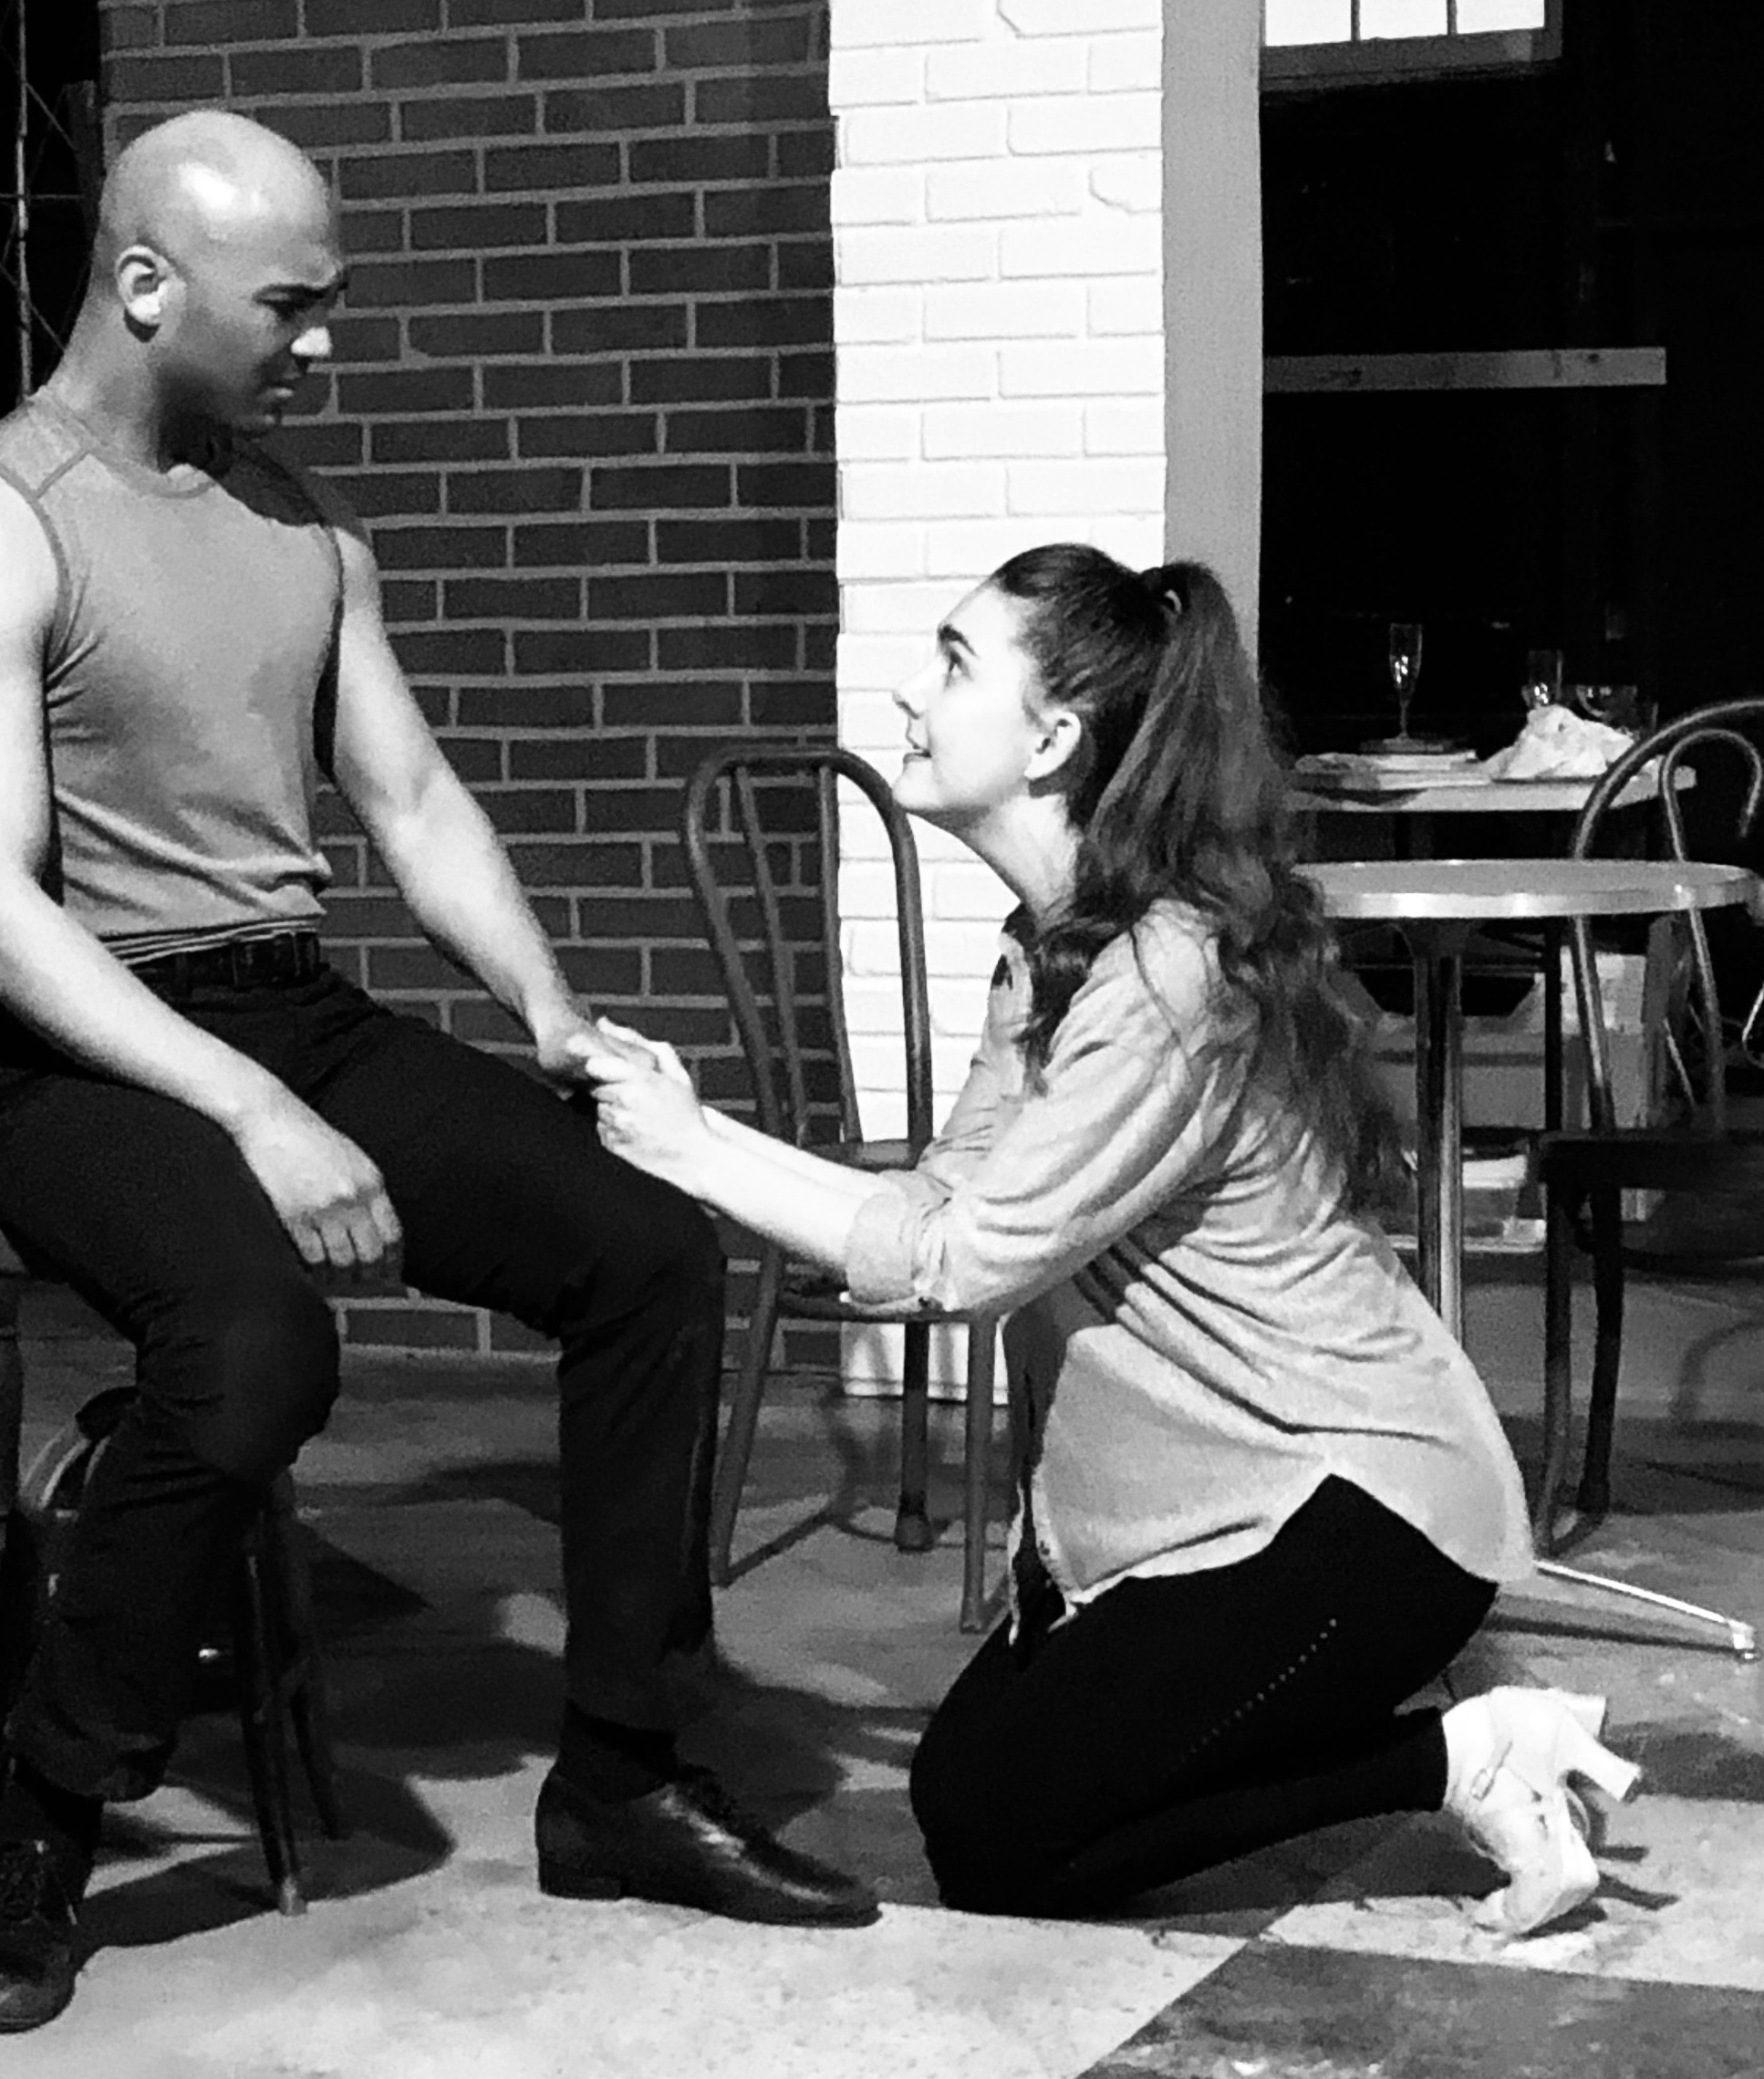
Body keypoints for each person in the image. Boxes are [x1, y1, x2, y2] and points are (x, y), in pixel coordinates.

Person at [0, 109, 876, 2035]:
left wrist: (555, 1018)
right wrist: (254, 1116)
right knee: (255, 1347)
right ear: (147, 282)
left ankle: (625, 1776)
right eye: (295, 307)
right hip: (67, 1044)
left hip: (288, 999)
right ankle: (35, 1824)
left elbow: (408, 796)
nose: (325, 345)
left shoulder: (300, 520)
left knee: (646, 1252)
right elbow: (0, 913)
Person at [586, 543, 1642, 1938]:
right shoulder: (1053, 951)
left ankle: (1464, 1755)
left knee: (1000, 1822)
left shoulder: (1168, 972)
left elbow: (964, 1258)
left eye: (955, 664)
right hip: (1214, 1503)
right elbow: (951, 1209)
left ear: (1054, 738)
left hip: (1364, 1508)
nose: (911, 695)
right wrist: (751, 1169)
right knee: (988, 1818)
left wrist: (695, 1146)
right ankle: (1430, 1742)